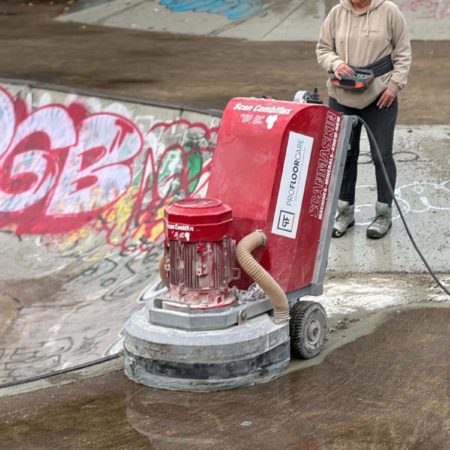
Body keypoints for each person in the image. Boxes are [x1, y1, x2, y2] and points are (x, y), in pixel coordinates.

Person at [316, 0, 412, 239]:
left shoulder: (390, 12)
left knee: (382, 156)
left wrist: (394, 86)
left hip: (380, 96)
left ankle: (383, 214)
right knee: (345, 156)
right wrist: (336, 63)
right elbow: (323, 49)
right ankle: (345, 213)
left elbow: (403, 52)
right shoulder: (337, 13)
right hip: (342, 95)